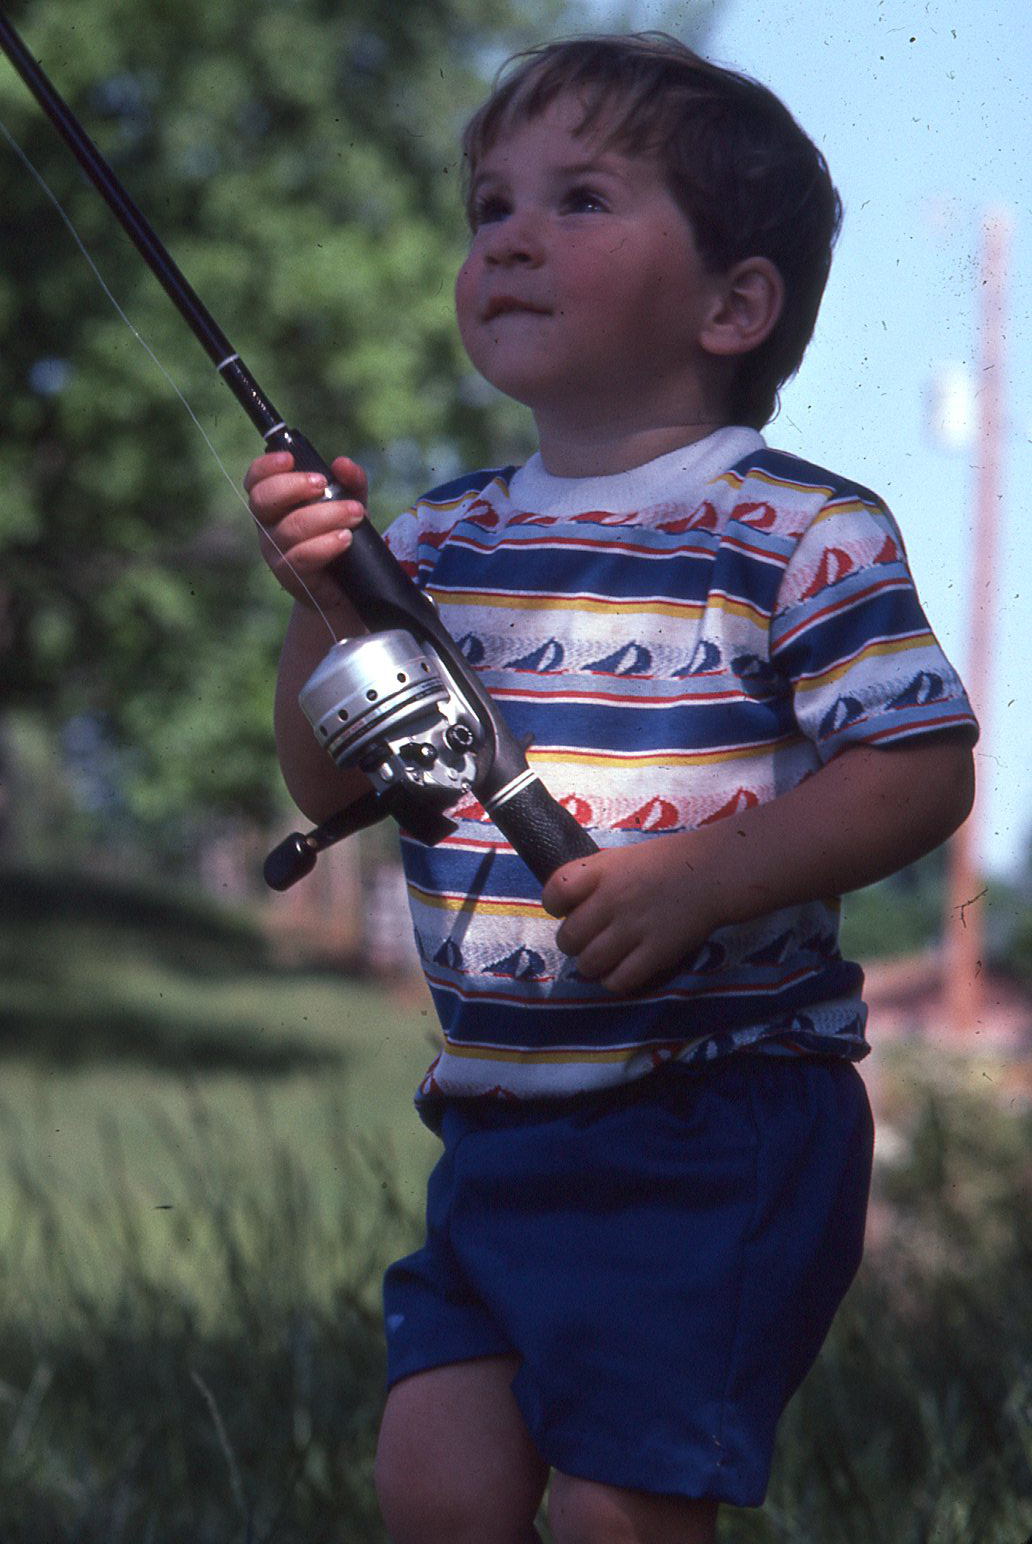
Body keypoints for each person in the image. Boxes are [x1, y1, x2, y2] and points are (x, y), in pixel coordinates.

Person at [245, 33, 977, 1544]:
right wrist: (325, 605)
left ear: (733, 304)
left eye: (579, 199)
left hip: (719, 1126)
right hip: (501, 1129)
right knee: (432, 1488)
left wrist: (703, 879)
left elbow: (918, 772)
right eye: (487, 205)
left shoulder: (797, 535)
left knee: (618, 1512)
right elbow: (332, 777)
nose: (506, 234)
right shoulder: (434, 548)